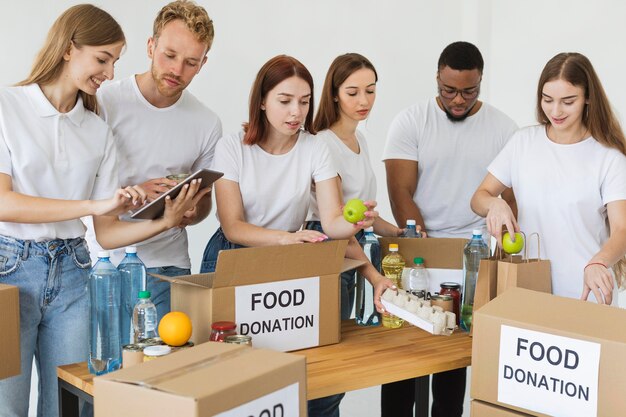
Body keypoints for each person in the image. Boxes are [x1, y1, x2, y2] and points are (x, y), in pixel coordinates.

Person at [0, 5, 206, 417]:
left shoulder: (96, 129)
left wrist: (165, 220)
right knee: (8, 405)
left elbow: (108, 233)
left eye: (114, 61)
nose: (110, 74)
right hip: (10, 269)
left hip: (75, 271)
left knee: (69, 405)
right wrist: (94, 204)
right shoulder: (8, 107)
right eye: (102, 59)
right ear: (68, 48)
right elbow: (4, 203)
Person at [382, 41, 518, 417]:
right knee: (402, 354)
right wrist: (422, 240)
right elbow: (400, 192)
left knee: (453, 356)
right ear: (437, 78)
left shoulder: (504, 128)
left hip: (472, 253)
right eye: (449, 90)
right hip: (417, 247)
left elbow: (510, 200)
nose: (458, 99)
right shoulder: (410, 121)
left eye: (469, 91)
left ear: (481, 82)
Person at [84, 0, 222, 322]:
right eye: (169, 55)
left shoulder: (206, 122)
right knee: (105, 366)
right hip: (104, 260)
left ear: (202, 64)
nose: (177, 70)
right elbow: (80, 186)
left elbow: (205, 205)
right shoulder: (104, 100)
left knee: (165, 366)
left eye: (191, 62)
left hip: (168, 264)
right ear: (151, 46)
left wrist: (190, 210)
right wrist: (134, 192)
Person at [471, 52, 626, 305]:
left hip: (586, 291)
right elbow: (479, 198)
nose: (556, 110)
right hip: (526, 288)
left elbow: (622, 229)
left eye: (568, 101)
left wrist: (599, 262)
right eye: (547, 99)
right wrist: (495, 203)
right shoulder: (523, 142)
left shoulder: (609, 158)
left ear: (588, 98)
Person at [305, 53, 404, 417]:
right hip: (328, 257)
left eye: (371, 91)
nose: (364, 102)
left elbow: (363, 217)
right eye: (353, 93)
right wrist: (374, 275)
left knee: (337, 369)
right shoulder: (322, 144)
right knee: (327, 370)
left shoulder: (358, 140)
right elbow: (337, 229)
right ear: (333, 94)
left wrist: (398, 231)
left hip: (350, 255)